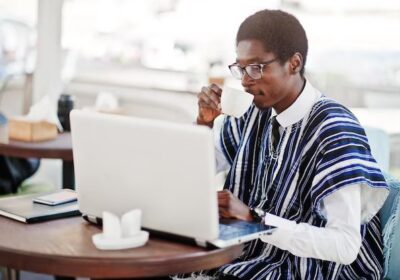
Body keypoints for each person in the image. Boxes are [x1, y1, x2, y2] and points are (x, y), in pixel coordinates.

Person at [194, 9, 389, 280]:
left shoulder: (334, 129)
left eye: (257, 67)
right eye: (241, 68)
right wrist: (204, 123)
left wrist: (255, 218)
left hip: (315, 270)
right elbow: (195, 174)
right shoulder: (252, 112)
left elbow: (345, 247)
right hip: (249, 259)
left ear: (294, 63)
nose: (246, 80)